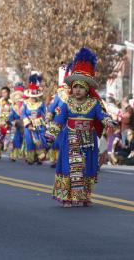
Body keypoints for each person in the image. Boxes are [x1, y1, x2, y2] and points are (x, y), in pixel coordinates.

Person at [46, 47, 116, 207]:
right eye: (75, 87)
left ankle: (83, 196)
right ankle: (67, 197)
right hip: (69, 139)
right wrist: (50, 135)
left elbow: (102, 116)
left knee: (87, 167)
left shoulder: (94, 103)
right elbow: (58, 120)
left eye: (81, 87)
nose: (77, 90)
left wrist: (108, 121)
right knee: (69, 168)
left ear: (87, 89)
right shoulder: (67, 103)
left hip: (88, 140)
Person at [22, 74, 47, 165]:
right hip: (28, 125)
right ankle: (30, 158)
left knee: (40, 140)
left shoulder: (41, 104)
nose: (32, 98)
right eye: (31, 97)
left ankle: (40, 157)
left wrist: (44, 123)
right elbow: (23, 114)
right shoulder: (25, 104)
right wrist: (28, 124)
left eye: (34, 97)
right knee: (29, 141)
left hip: (39, 124)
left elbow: (45, 114)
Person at [0, 86, 13, 160]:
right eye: (2, 92)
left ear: (9, 93)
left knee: (8, 140)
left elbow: (14, 112)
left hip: (9, 123)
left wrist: (9, 120)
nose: (4, 94)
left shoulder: (12, 102)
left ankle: (12, 155)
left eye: (5, 92)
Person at [8, 84, 26, 162]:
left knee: (26, 140)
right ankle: (14, 155)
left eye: (19, 95)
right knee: (16, 140)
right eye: (16, 96)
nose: (18, 98)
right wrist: (12, 121)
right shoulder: (13, 107)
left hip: (25, 124)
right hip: (16, 125)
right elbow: (11, 116)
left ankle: (26, 155)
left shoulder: (26, 105)